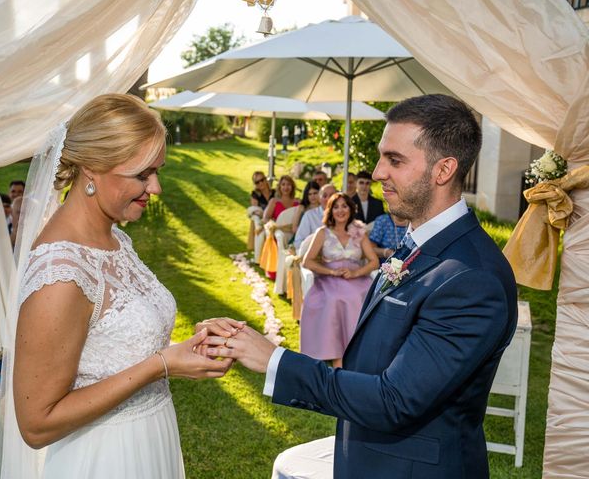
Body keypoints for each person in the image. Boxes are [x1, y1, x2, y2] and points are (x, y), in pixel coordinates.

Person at [203, 94, 518, 479]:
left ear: (444, 169)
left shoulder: (473, 278)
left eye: (395, 160)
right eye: (381, 156)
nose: (378, 172)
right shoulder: (417, 239)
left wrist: (274, 360)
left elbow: (394, 400)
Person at [1, 94, 238, 479]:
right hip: (105, 458)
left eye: (157, 172)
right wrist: (161, 365)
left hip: (150, 438)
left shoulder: (113, 239)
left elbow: (114, 342)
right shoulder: (61, 272)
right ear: (93, 168)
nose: (156, 188)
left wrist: (184, 347)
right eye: (143, 174)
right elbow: (36, 423)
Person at [300, 192, 378, 368]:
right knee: (335, 299)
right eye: (336, 207)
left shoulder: (359, 232)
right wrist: (330, 272)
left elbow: (374, 261)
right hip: (329, 280)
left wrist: (357, 272)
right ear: (330, 210)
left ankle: (359, 353)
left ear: (350, 209)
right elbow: (308, 261)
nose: (340, 210)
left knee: (361, 296)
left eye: (344, 206)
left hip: (356, 278)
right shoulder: (323, 233)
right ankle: (337, 358)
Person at [293, 183, 336, 250]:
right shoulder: (309, 216)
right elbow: (298, 242)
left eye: (332, 196)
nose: (328, 199)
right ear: (319, 198)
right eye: (324, 196)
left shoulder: (343, 215)